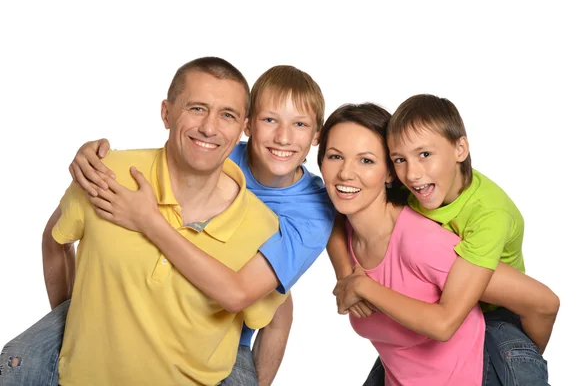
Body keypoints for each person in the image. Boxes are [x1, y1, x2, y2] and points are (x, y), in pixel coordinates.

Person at [0, 64, 335, 386]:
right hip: (142, 305)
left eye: (300, 125)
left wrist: (147, 220)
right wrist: (93, 154)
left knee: (276, 304)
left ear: (316, 134)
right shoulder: (219, 147)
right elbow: (172, 150)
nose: (283, 137)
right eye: (270, 120)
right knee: (18, 359)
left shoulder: (308, 214)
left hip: (225, 325)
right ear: (249, 126)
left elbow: (245, 297)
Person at [327, 94, 559, 385]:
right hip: (417, 352)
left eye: (425, 154)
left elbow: (447, 322)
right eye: (401, 159)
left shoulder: (487, 216)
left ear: (460, 148)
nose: (412, 173)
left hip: (497, 313)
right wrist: (346, 275)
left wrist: (522, 356)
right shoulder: (417, 189)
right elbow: (333, 214)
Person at [318, 103, 486, 385]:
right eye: (335, 156)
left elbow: (535, 299)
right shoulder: (340, 231)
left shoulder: (423, 241)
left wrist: (362, 286)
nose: (345, 173)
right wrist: (345, 273)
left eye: (366, 160)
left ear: (390, 172)